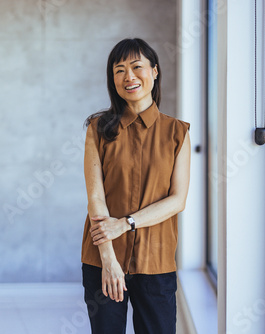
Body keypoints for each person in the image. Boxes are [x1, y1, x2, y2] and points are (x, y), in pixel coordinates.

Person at [81, 38, 191, 334]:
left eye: (136, 67)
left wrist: (126, 224)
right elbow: (95, 196)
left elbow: (177, 200)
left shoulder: (177, 132)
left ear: (154, 72)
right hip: (103, 259)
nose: (129, 77)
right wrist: (109, 258)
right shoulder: (98, 128)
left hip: (156, 260)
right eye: (119, 70)